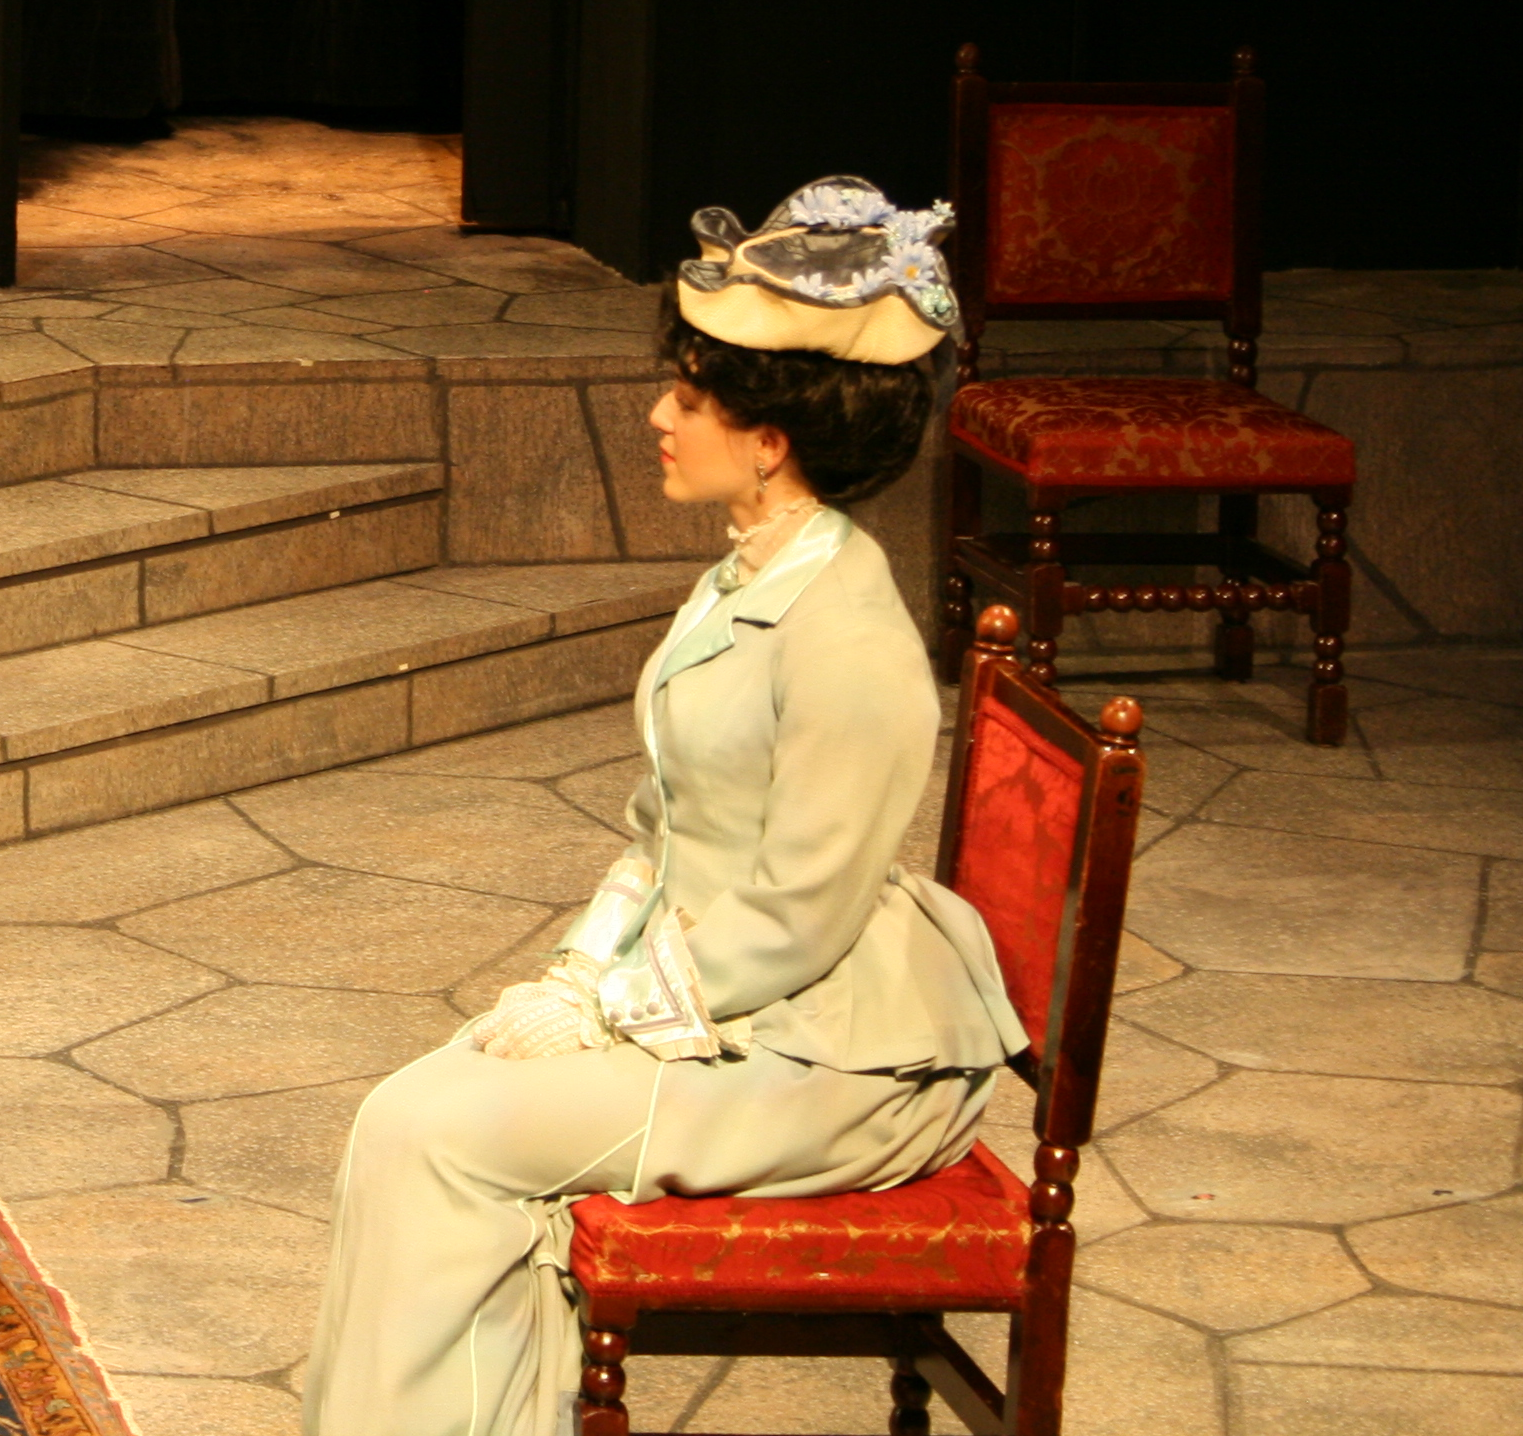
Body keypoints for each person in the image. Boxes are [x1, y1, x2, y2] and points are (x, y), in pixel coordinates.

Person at [305, 177, 1021, 1435]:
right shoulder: (746, 578)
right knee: (410, 1114)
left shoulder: (849, 638)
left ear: (771, 437)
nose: (656, 416)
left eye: (688, 399)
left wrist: (616, 1013)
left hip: (826, 1059)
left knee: (436, 1135)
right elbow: (663, 831)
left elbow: (798, 917)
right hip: (725, 1006)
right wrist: (576, 979)